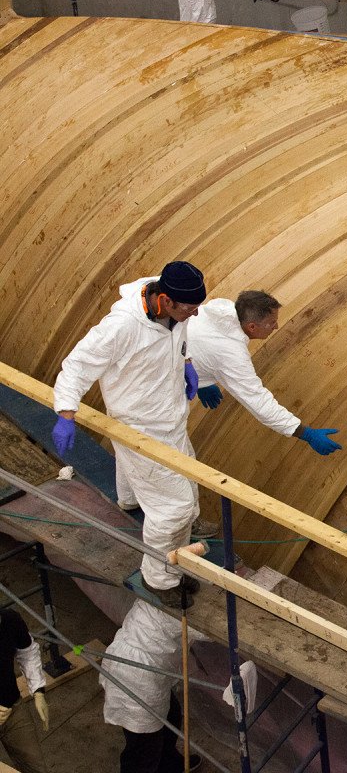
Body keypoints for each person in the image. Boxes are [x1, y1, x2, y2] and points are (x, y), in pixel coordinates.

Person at [52, 261, 209, 609]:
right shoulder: (121, 327)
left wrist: (186, 363)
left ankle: (130, 500)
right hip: (140, 427)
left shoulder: (174, 312)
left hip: (169, 415)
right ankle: (160, 578)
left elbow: (180, 335)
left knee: (188, 474)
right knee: (175, 508)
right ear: (165, 300)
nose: (194, 316)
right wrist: (66, 413)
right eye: (189, 309)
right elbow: (77, 365)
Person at [187, 291, 342, 456]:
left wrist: (202, 380)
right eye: (272, 322)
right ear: (252, 327)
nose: (276, 326)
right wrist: (307, 434)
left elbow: (199, 343)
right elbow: (258, 401)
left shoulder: (222, 308)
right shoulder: (231, 355)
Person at [101, 600, 198, 773]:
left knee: (171, 715)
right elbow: (215, 629)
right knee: (144, 748)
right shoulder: (177, 608)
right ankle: (155, 766)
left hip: (134, 665)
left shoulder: (152, 592)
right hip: (136, 678)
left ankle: (167, 764)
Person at [0, 609, 50, 773]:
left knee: (36, 768)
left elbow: (27, 651)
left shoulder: (9, 619)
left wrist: (38, 691)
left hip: (12, 708)